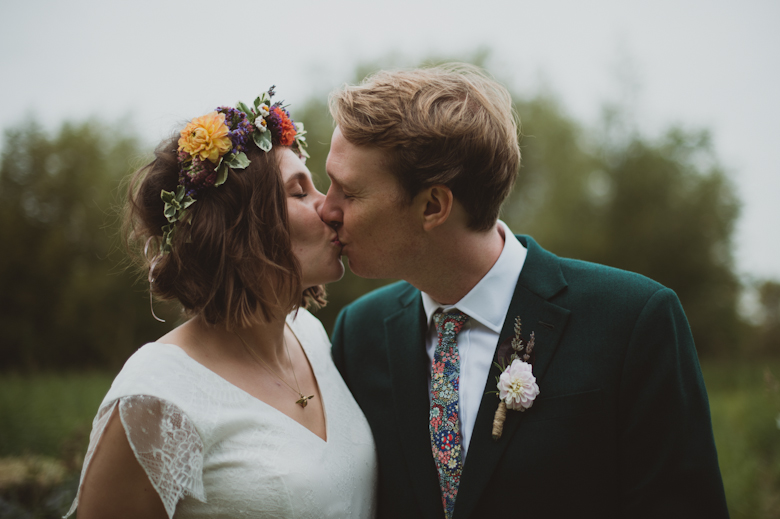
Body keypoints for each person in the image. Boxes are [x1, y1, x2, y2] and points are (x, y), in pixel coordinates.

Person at [322, 64, 729, 518]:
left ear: (434, 205)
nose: (325, 209)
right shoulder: (360, 333)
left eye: (349, 193)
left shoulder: (633, 320)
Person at [66, 88, 377, 519]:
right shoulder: (157, 396)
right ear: (239, 227)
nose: (329, 207)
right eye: (299, 191)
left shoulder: (310, 335)